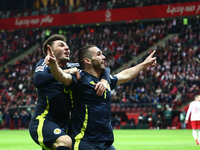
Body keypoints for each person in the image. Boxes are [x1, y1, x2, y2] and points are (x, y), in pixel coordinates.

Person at [45, 44, 156, 149]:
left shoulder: (106, 81)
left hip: (106, 143)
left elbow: (124, 75)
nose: (104, 57)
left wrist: (144, 65)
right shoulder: (79, 78)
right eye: (98, 54)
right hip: (84, 142)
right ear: (87, 60)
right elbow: (62, 77)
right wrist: (54, 64)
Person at [29, 34, 110, 150]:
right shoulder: (44, 64)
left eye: (67, 46)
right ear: (49, 51)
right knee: (65, 142)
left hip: (66, 124)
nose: (67, 48)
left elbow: (103, 68)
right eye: (61, 45)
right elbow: (38, 80)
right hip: (44, 120)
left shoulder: (74, 66)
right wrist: (66, 71)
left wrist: (103, 80)